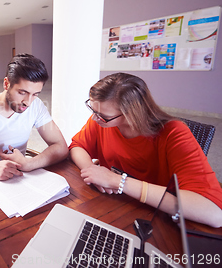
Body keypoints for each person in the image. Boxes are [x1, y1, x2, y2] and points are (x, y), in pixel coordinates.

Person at [70, 72, 222, 228]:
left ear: (132, 113)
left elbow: (214, 213)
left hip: (156, 219)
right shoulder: (102, 121)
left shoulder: (174, 133)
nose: (95, 118)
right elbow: (77, 146)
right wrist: (92, 171)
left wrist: (118, 182)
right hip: (112, 206)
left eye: (103, 115)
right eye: (93, 110)